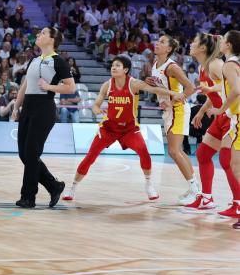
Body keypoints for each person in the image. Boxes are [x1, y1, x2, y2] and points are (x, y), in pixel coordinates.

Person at [63, 56, 184, 201]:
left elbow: (154, 89)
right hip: (108, 128)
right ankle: (73, 188)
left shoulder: (134, 84)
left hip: (129, 129)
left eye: (118, 65)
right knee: (90, 157)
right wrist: (95, 109)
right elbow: (96, 104)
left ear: (125, 70)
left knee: (144, 152)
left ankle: (149, 184)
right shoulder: (107, 85)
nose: (113, 67)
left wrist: (174, 93)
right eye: (113, 65)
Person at [11, 27, 75, 209]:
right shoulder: (34, 59)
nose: (39, 35)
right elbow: (25, 85)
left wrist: (49, 87)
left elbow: (70, 87)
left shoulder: (58, 61)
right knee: (25, 155)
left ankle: (28, 197)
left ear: (52, 39)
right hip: (27, 108)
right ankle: (54, 186)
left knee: (31, 153)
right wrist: (16, 106)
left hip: (44, 108)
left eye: (43, 33)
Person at [187, 33, 240, 216]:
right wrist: (201, 111)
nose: (191, 44)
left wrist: (211, 90)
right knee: (203, 154)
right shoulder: (204, 67)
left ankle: (237, 203)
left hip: (229, 115)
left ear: (203, 48)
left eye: (194, 41)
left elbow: (228, 87)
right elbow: (217, 93)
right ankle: (207, 198)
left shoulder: (216, 64)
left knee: (227, 160)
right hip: (220, 116)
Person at [150, 35, 198, 205]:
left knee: (173, 151)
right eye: (158, 40)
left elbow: (191, 87)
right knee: (178, 151)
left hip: (178, 110)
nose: (157, 43)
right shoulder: (155, 65)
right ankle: (195, 188)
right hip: (169, 111)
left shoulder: (172, 67)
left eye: (162, 42)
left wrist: (175, 99)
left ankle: (195, 190)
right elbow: (160, 87)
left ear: (169, 49)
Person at [205, 30, 240, 228]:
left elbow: (236, 90)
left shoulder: (228, 65)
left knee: (236, 167)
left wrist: (221, 109)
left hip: (238, 117)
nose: (220, 43)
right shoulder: (235, 62)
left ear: (229, 45)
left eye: (223, 41)